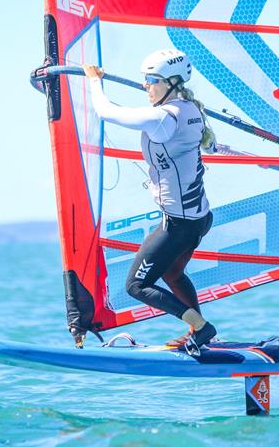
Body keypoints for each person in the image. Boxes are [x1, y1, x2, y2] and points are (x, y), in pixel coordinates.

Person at [83, 49, 217, 356]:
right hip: (199, 219)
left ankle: (202, 328)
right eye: (145, 79)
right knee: (172, 275)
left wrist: (94, 82)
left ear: (171, 82)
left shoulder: (163, 118)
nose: (146, 85)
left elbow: (106, 112)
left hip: (179, 225)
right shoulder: (192, 110)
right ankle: (198, 331)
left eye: (152, 80)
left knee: (136, 286)